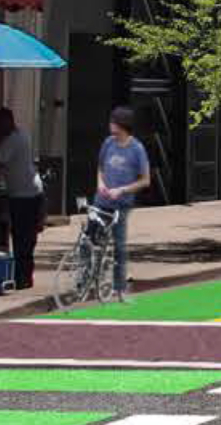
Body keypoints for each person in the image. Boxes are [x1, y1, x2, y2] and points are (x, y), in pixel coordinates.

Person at [94, 106, 151, 300]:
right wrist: (100, 183)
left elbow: (145, 180)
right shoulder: (108, 143)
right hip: (101, 201)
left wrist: (122, 190)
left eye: (113, 122)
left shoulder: (137, 149)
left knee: (118, 246)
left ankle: (119, 289)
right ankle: (85, 279)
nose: (110, 125)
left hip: (121, 204)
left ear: (122, 125)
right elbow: (100, 168)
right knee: (90, 240)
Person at [0, 108, 43, 290]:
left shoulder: (11, 140)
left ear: (6, 122)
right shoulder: (23, 134)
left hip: (22, 195)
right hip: (33, 191)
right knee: (28, 238)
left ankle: (22, 277)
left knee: (21, 237)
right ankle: (25, 276)